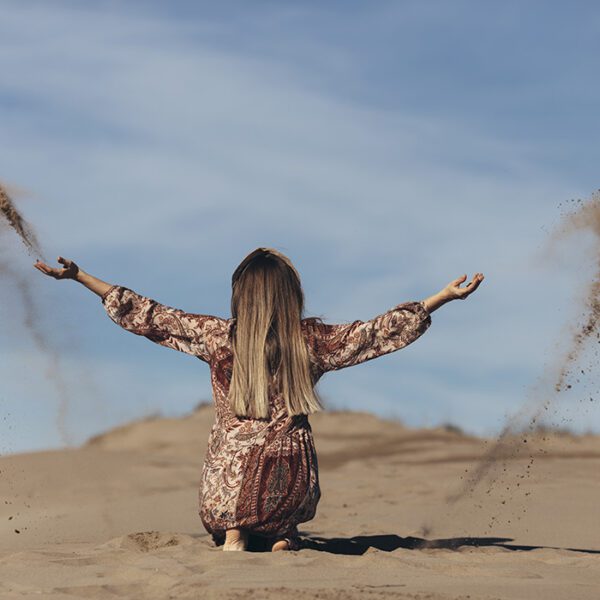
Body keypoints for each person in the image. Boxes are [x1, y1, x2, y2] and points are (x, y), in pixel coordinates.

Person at [34, 247, 484, 552]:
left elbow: (148, 314)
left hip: (225, 490)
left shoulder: (218, 336)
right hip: (289, 481)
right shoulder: (311, 341)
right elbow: (375, 332)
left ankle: (234, 535)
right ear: (291, 294)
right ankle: (282, 535)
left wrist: (80, 278)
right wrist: (439, 298)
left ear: (240, 295)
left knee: (232, 460)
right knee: (281, 475)